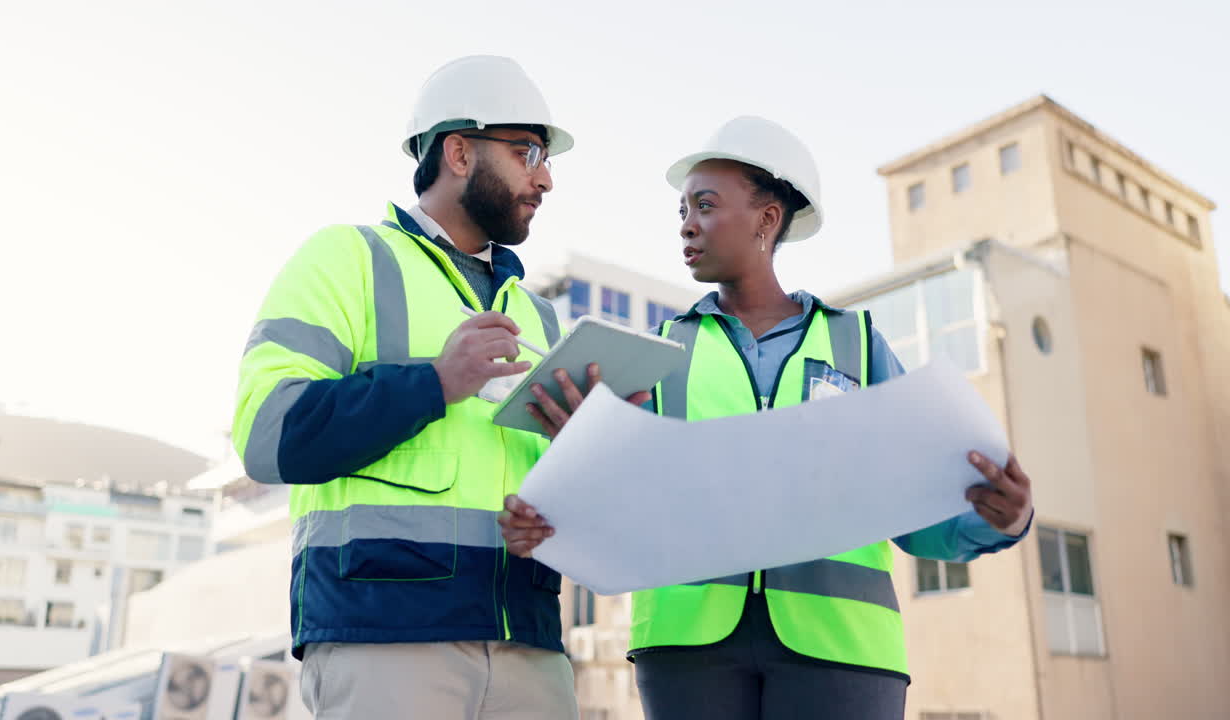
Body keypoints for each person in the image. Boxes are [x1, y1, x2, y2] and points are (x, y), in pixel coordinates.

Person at [500, 116, 1034, 720]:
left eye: (705, 205)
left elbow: (913, 506)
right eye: (681, 210)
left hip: (842, 646)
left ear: (766, 219)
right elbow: (622, 504)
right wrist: (559, 493)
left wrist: (999, 520)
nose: (686, 224)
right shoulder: (657, 353)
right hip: (687, 648)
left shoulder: (856, 345)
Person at [232, 55, 586, 720]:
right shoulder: (346, 259)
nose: (544, 177)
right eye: (527, 150)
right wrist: (433, 383)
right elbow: (268, 433)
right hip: (384, 638)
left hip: (531, 642)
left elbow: (541, 497)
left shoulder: (539, 316)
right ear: (457, 151)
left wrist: (577, 458)